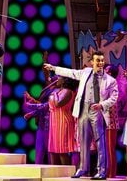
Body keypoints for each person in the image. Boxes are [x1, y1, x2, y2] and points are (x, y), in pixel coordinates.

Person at [44, 50, 118, 180]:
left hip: (97, 111)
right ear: (92, 62)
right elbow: (70, 72)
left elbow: (114, 97)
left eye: (102, 60)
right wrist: (54, 68)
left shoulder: (110, 80)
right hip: (83, 110)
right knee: (83, 141)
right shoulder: (86, 73)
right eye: (98, 60)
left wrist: (102, 104)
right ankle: (83, 168)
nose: (100, 63)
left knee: (100, 142)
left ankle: (101, 171)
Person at [48, 76, 77, 165]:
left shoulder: (68, 91)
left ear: (65, 80)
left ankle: (66, 175)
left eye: (59, 77)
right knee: (53, 150)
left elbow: (58, 103)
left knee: (62, 150)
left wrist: (55, 93)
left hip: (63, 121)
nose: (56, 79)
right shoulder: (59, 91)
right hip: (54, 121)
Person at [104, 64, 119, 178]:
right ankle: (106, 171)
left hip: (110, 120)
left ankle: (111, 173)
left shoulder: (112, 83)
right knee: (105, 149)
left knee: (110, 149)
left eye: (107, 70)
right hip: (104, 120)